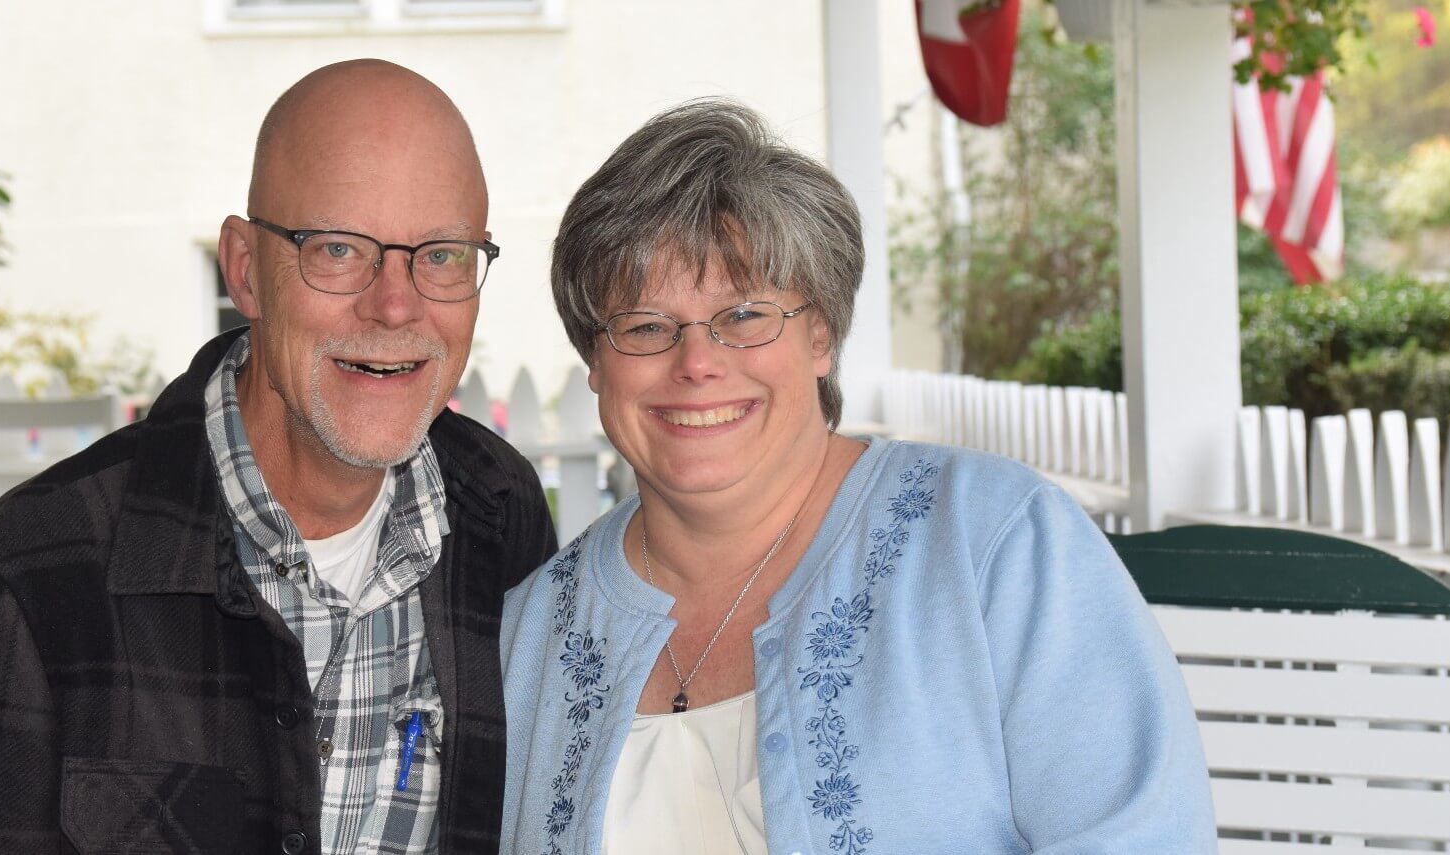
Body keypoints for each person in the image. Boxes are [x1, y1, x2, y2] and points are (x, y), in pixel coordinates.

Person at [0, 60, 558, 855]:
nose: (395, 304)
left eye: (441, 255)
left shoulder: (498, 518)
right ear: (244, 271)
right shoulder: (38, 570)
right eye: (337, 249)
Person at [499, 99, 1215, 854]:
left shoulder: (998, 546)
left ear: (821, 335)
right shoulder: (532, 632)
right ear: (596, 361)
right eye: (645, 325)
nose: (698, 362)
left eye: (744, 315)